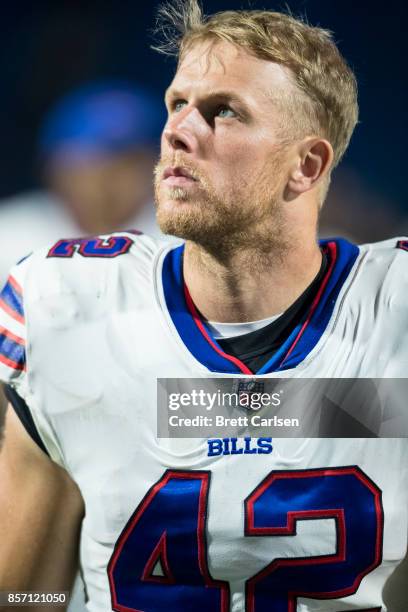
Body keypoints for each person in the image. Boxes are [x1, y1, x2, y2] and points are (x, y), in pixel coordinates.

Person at [0, 1, 407, 611]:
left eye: (224, 112)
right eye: (177, 104)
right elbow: (28, 596)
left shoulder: (392, 312)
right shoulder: (70, 307)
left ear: (307, 165)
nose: (178, 131)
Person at [0, 80, 168, 286]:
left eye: (123, 163)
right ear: (52, 170)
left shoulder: (184, 240)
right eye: (86, 163)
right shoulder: (9, 234)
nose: (101, 181)